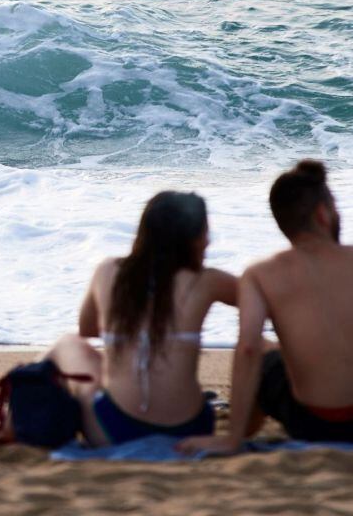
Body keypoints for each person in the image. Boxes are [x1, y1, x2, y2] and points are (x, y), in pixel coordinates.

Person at [178, 160, 353, 455]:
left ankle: (239, 435)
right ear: (322, 214)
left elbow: (249, 348)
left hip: (320, 425)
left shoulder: (260, 274)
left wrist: (231, 439)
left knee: (264, 352)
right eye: (335, 206)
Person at [44, 191, 238, 446]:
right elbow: (266, 302)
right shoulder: (207, 281)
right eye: (204, 233)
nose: (208, 242)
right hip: (191, 429)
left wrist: (127, 337)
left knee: (67, 344)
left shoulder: (108, 271)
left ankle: (15, 426)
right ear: (190, 239)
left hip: (116, 431)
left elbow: (87, 329)